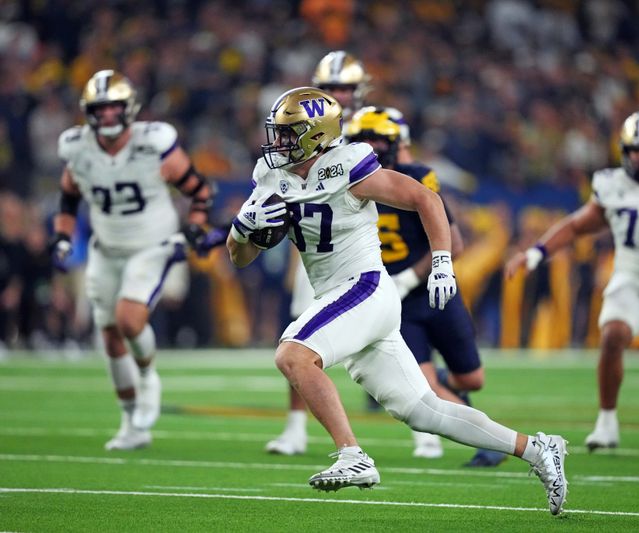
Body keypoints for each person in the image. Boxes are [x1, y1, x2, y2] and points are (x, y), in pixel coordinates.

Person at [227, 87, 567, 515]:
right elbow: (238, 257)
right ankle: (539, 450)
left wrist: (442, 261)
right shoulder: (269, 175)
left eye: (288, 133)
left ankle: (352, 455)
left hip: (364, 285)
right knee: (425, 410)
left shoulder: (348, 163)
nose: (277, 142)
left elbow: (425, 198)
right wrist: (242, 230)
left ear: (315, 135)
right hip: (340, 296)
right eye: (276, 132)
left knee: (293, 356)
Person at [506, 111, 639, 452]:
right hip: (632, 276)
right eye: (636, 149)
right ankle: (607, 421)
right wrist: (536, 253)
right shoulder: (612, 184)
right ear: (624, 151)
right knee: (612, 334)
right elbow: (576, 225)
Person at [51, 70, 215, 450]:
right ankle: (131, 424)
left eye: (114, 108)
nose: (107, 117)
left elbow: (200, 190)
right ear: (88, 113)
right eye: (100, 109)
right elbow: (68, 197)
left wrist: (194, 226)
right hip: (106, 248)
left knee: (129, 319)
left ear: (129, 109)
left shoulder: (154, 143)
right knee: (109, 336)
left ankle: (148, 376)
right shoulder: (76, 147)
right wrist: (62, 235)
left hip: (152, 244)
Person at [344, 106, 506, 466]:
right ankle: (491, 442)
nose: (369, 145)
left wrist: (411, 276)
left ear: (396, 143)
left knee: (473, 379)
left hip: (432, 290)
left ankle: (445, 378)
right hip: (394, 303)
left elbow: (453, 242)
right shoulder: (345, 180)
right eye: (362, 139)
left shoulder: (416, 176)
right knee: (427, 386)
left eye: (377, 139)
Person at [265, 51, 375, 455]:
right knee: (297, 334)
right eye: (330, 89)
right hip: (316, 248)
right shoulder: (297, 133)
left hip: (368, 247)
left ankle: (420, 429)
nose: (337, 95)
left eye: (344, 88)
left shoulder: (372, 127)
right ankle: (296, 426)